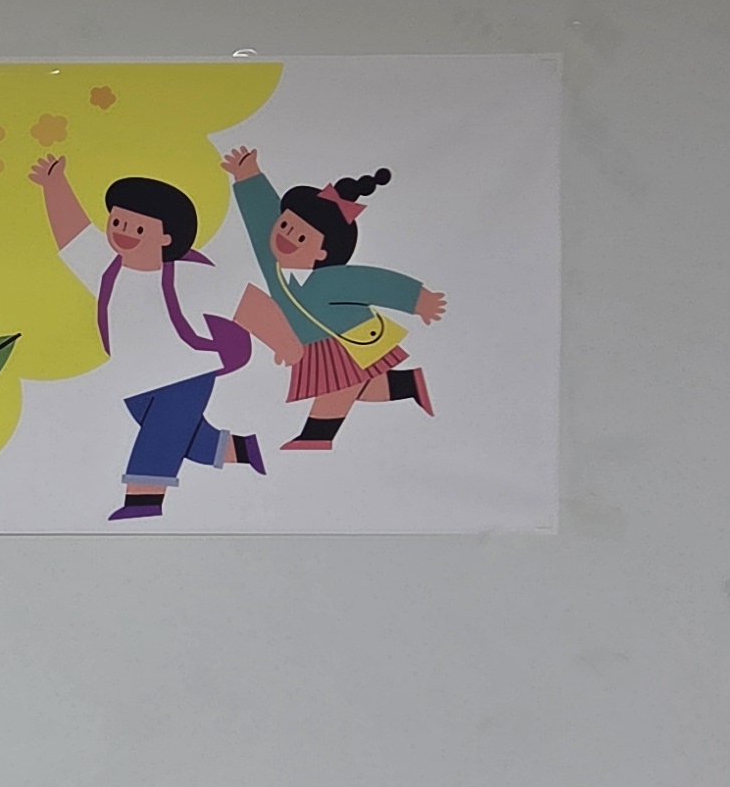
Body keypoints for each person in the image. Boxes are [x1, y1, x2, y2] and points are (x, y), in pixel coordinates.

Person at [28, 153, 263, 523]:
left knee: (160, 439)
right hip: (135, 379)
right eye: (117, 221)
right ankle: (244, 449)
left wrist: (284, 341)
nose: (122, 230)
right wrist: (55, 186)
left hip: (186, 373)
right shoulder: (106, 268)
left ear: (166, 237)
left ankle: (143, 503)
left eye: (137, 228)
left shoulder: (185, 274)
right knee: (194, 442)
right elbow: (73, 236)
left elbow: (246, 302)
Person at [220, 149, 448, 450]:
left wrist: (418, 299)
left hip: (345, 338)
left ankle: (317, 435)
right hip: (314, 342)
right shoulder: (273, 263)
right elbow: (262, 221)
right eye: (285, 225)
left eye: (301, 237)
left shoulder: (333, 279)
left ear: (322, 252)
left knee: (338, 386)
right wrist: (248, 176)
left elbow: (373, 283)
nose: (286, 236)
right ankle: (407, 384)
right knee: (357, 386)